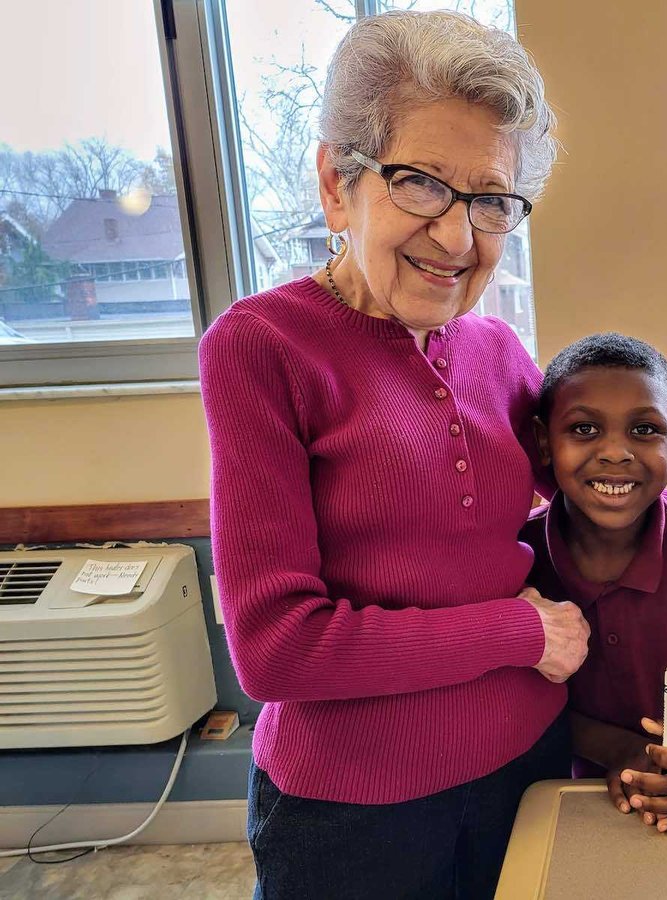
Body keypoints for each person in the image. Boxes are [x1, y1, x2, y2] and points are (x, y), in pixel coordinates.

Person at [197, 11, 589, 899]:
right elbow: (276, 651)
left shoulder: (500, 353)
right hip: (351, 816)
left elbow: (599, 500)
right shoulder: (263, 348)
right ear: (339, 184)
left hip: (530, 769)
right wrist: (517, 631)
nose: (458, 239)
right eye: (420, 184)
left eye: (491, 200)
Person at [520, 333, 667, 834]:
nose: (615, 453)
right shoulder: (517, 556)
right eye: (584, 429)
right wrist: (621, 751)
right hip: (572, 796)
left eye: (645, 430)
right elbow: (520, 698)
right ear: (545, 441)